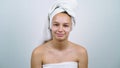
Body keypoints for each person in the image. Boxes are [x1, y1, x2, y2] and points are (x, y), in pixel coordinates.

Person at [31, 0, 88, 68]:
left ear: (71, 27)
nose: (60, 30)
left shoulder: (81, 52)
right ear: (50, 26)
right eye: (56, 24)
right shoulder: (37, 53)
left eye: (65, 25)